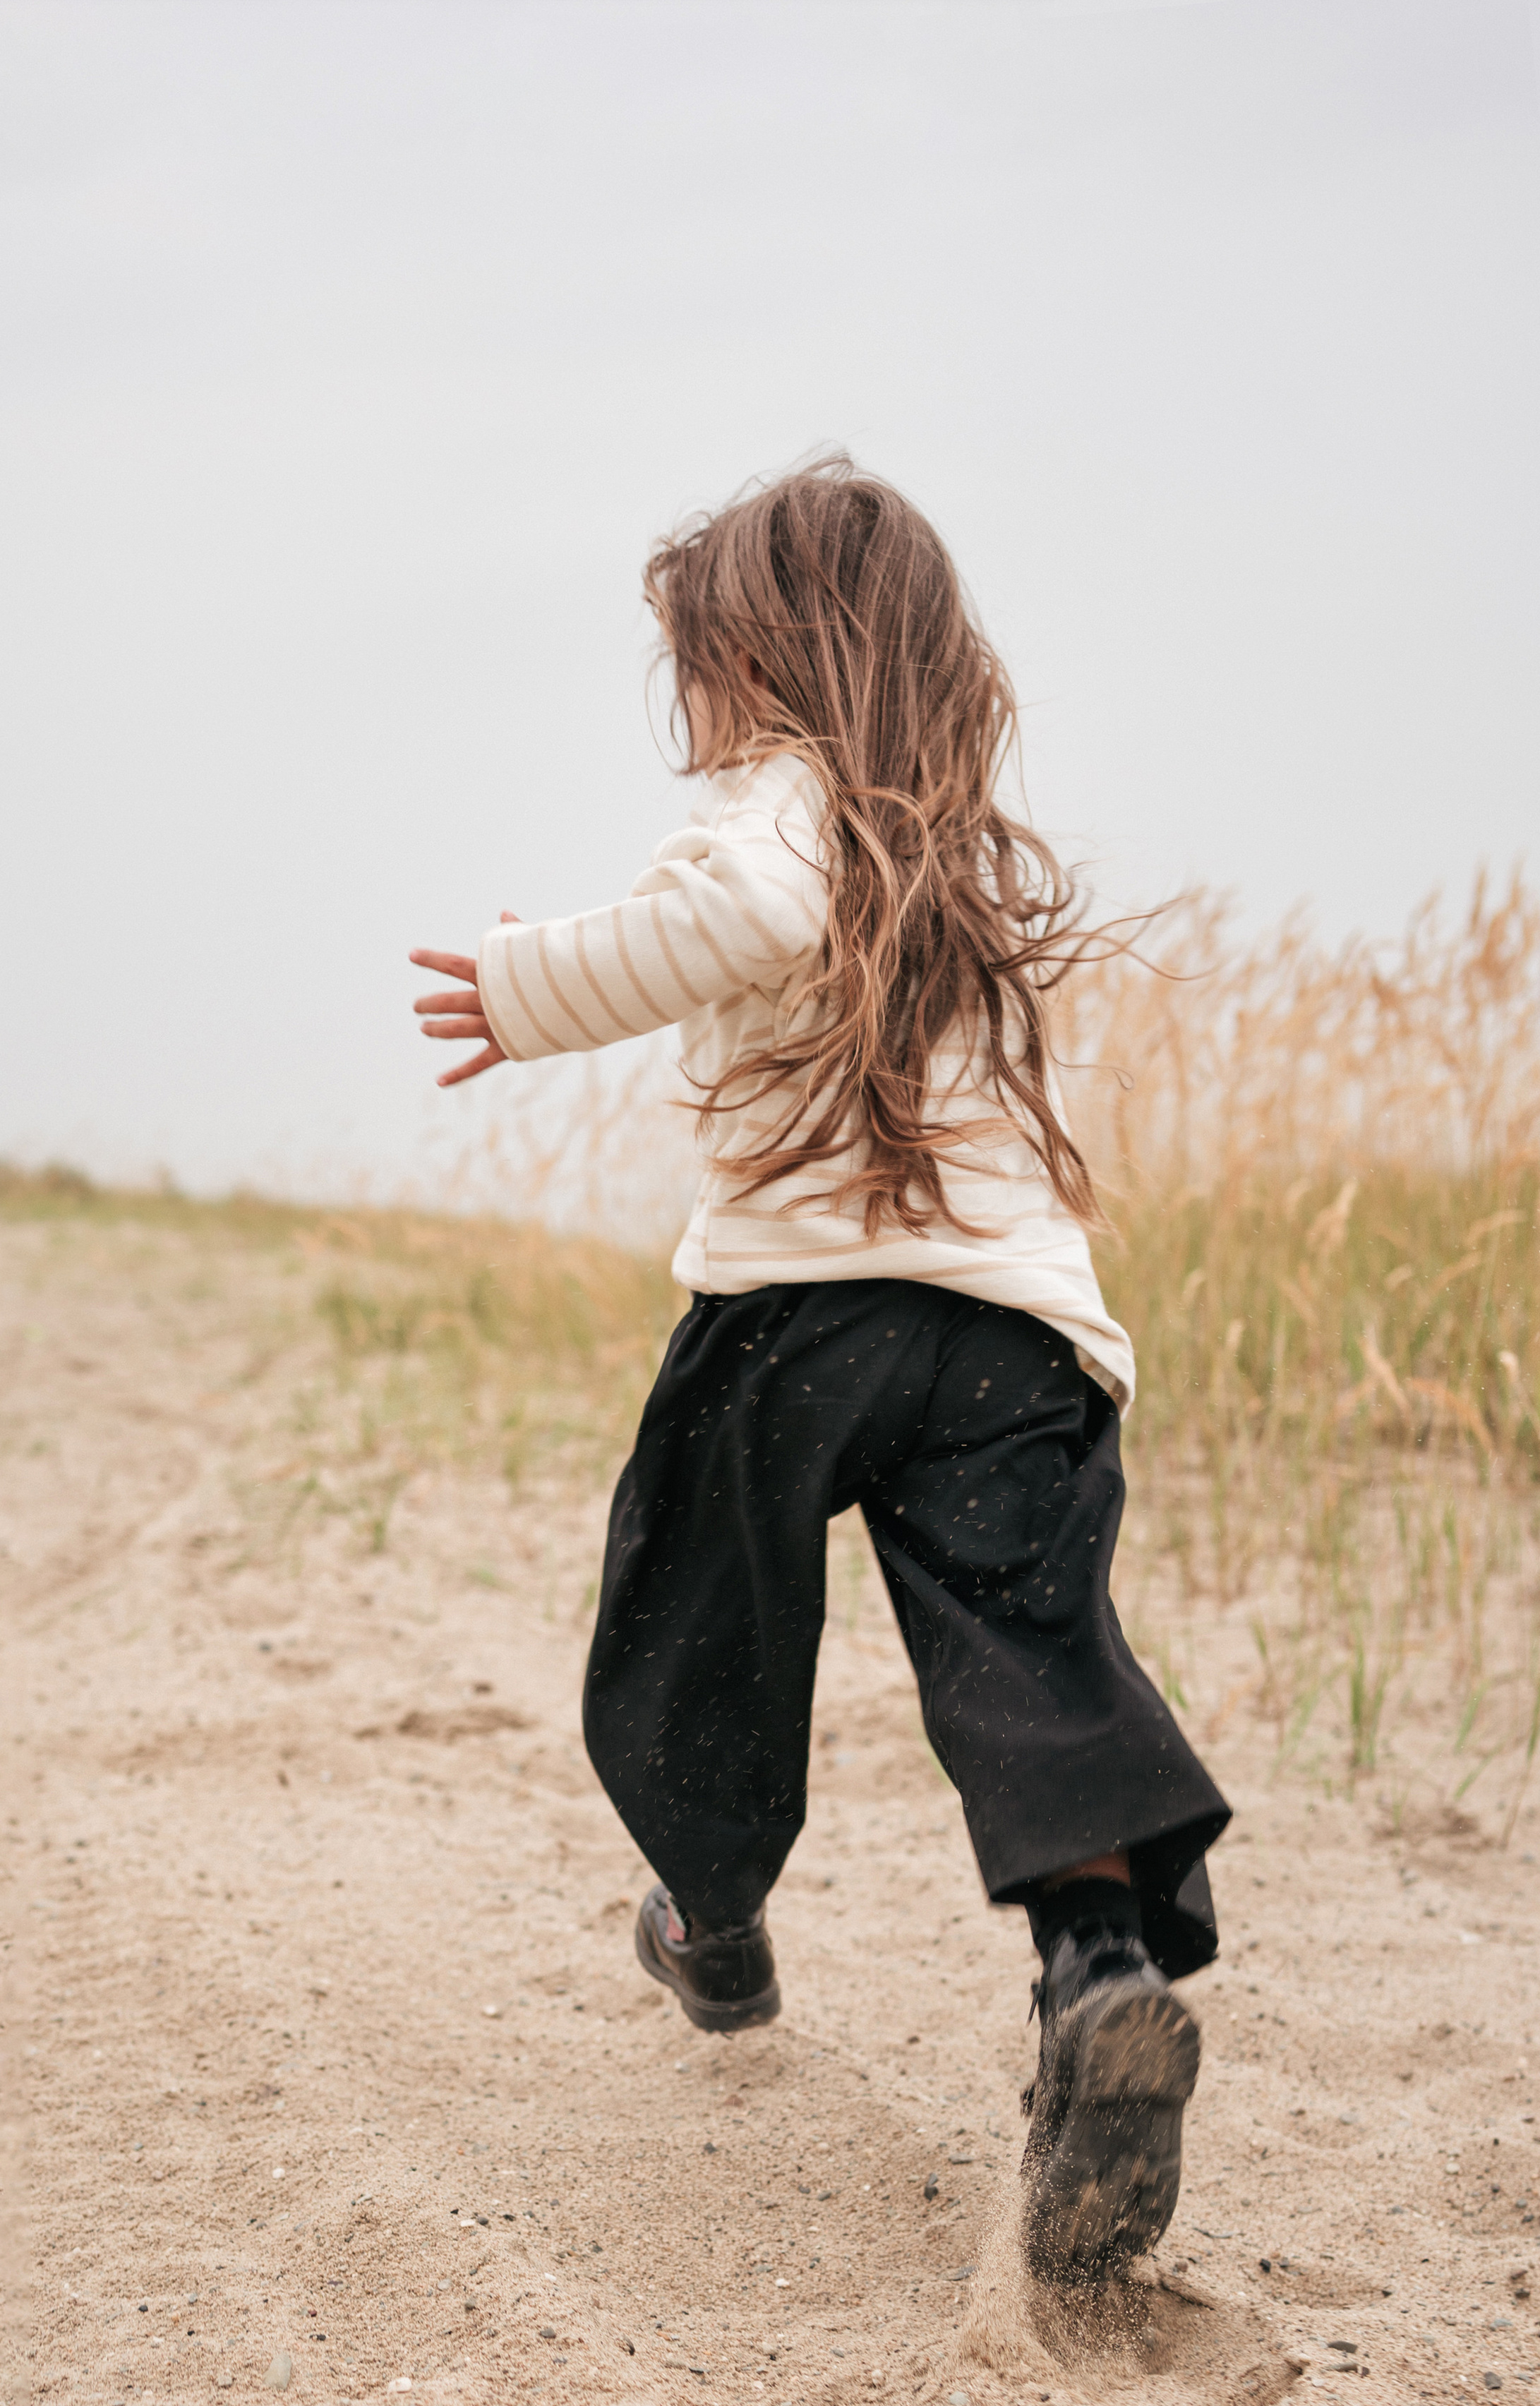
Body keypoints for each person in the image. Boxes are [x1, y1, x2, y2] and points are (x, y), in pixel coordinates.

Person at [409, 457, 1229, 2278]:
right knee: (1030, 1649)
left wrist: (532, 987)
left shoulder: (783, 819)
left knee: (697, 1620)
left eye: (696, 655)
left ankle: (712, 1920)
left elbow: (747, 911)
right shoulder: (964, 859)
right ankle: (1096, 1972)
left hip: (799, 1321)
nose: (683, 699)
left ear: (766, 659)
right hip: (1017, 1342)